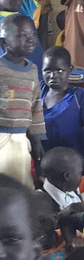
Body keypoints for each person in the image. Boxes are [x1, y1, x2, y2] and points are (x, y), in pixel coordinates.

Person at [0, 14, 45, 185]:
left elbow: (36, 107)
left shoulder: (32, 70)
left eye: (32, 34)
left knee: (20, 181)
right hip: (1, 135)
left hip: (21, 138)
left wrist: (37, 140)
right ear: (4, 42)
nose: (30, 39)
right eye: (22, 35)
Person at [41, 45, 84, 170]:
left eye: (59, 70)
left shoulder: (80, 97)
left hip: (73, 165)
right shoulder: (38, 92)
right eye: (47, 70)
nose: (53, 75)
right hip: (44, 162)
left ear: (70, 69)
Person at [38, 145, 84, 212]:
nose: (81, 176)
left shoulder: (74, 193)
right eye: (80, 173)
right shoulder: (39, 202)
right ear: (67, 176)